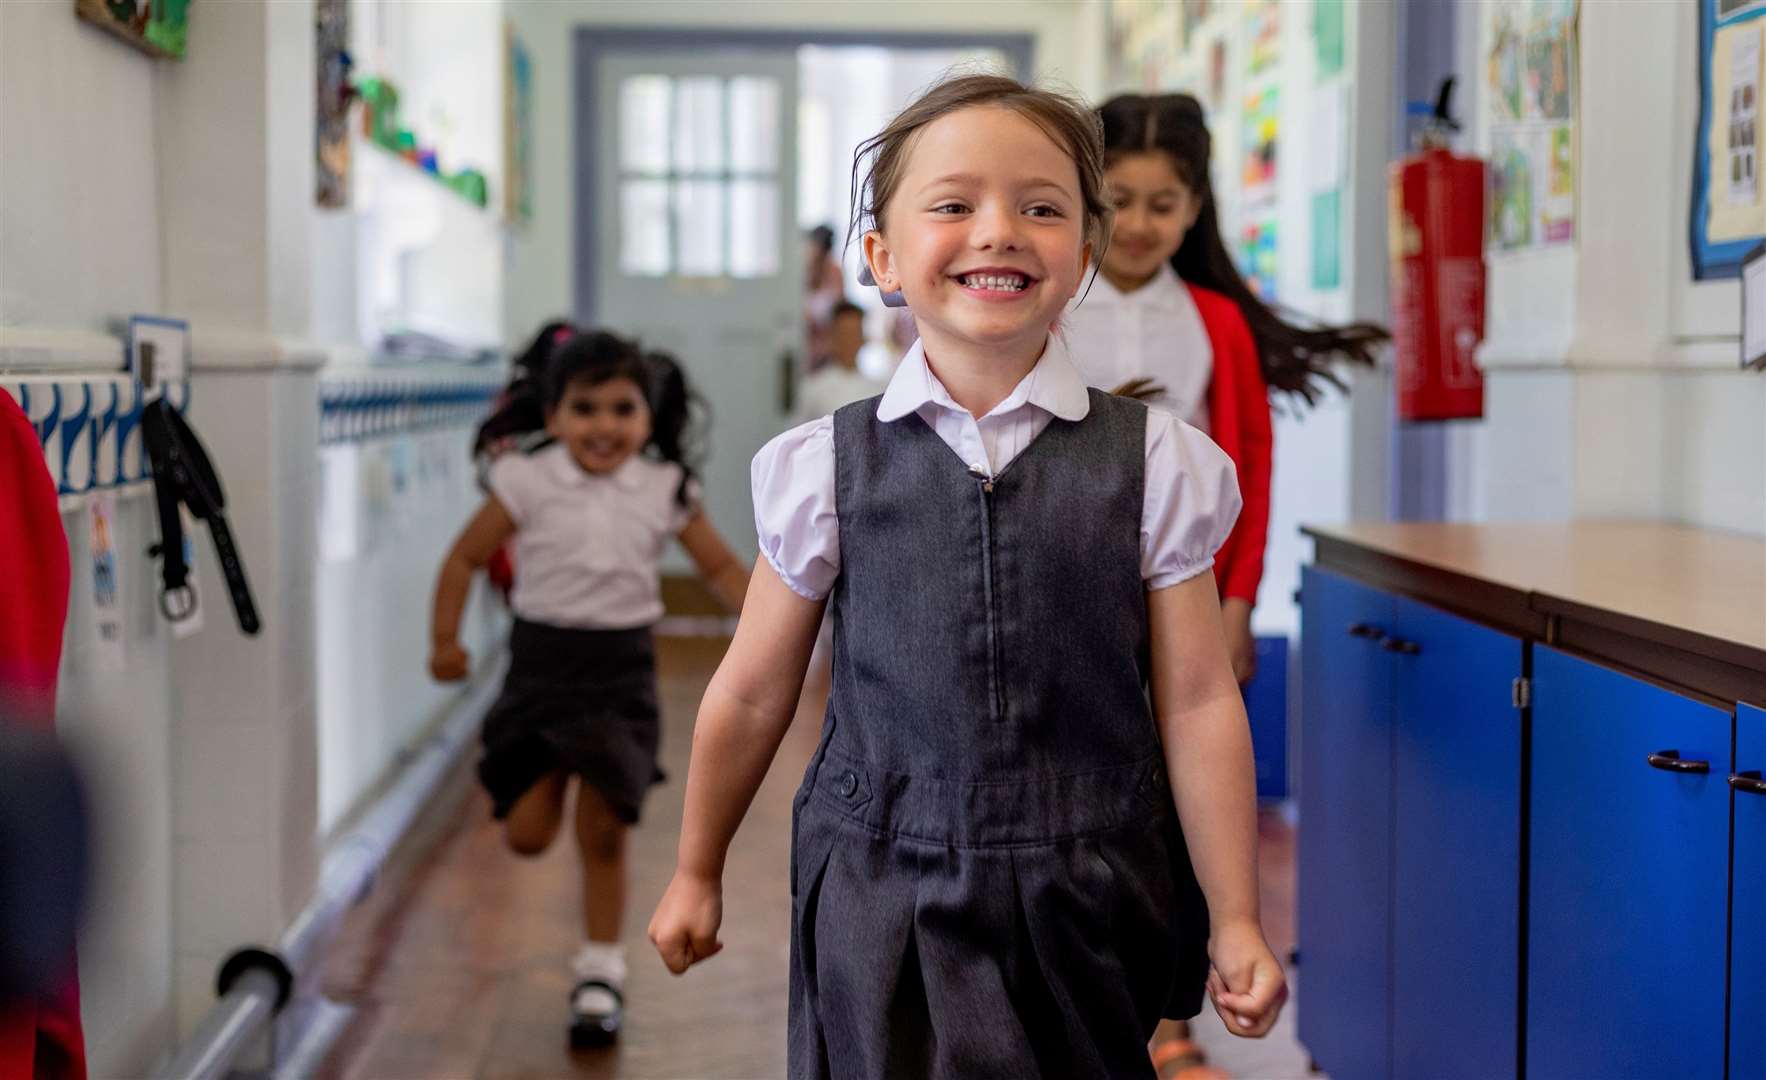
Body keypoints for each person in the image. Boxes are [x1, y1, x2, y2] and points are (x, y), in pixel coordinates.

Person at [648, 73, 1286, 1077]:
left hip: (1091, 883)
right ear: (881, 257)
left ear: (1082, 253)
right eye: (952, 205)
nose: (998, 230)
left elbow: (1199, 699)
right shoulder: (820, 465)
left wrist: (1237, 917)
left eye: (1040, 207)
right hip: (874, 878)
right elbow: (751, 684)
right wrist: (695, 866)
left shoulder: (1161, 465)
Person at [1068, 91, 1387, 1080]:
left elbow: (1249, 462)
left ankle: (1169, 1019)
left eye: (1161, 203)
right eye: (1115, 198)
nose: (1135, 223)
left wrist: (1238, 601)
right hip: (1069, 606)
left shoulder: (1212, 322)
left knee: (1181, 811)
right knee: (1080, 803)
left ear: (1196, 208)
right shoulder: (1049, 300)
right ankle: (1079, 997)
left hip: (1185, 606)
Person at [428, 330, 748, 1048]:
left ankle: (600, 969)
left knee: (605, 832)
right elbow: (464, 558)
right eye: (585, 408)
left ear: (647, 415)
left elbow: (724, 571)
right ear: (553, 415)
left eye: (622, 409)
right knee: (529, 836)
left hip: (619, 673)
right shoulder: (527, 481)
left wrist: (779, 635)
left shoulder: (667, 488)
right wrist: (443, 641)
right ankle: (549, 782)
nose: (604, 426)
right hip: (542, 670)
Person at [792, 301, 883, 424]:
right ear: (832, 337)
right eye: (844, 334)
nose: (849, 341)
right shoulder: (813, 388)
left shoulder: (878, 390)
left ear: (862, 339)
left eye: (854, 334)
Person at [803, 224, 846, 371]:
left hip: (828, 351)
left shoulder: (835, 272)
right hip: (806, 347)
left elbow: (840, 312)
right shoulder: (803, 272)